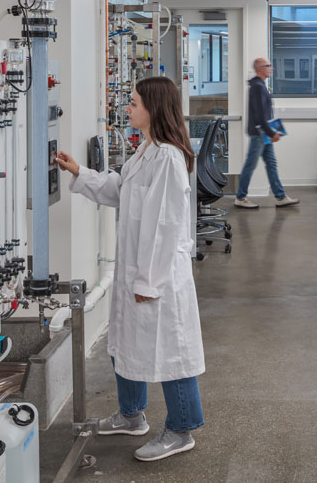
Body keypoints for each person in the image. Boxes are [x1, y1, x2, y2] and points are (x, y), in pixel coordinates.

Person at [54, 76, 205, 462]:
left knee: (172, 352)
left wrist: (149, 281)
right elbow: (119, 189)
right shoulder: (146, 151)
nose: (128, 108)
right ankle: (131, 415)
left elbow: (165, 226)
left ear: (153, 108)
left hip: (159, 275)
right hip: (137, 269)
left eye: (134, 103)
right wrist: (78, 172)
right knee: (123, 341)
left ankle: (180, 429)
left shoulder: (169, 158)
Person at [235, 57, 299, 209]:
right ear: (259, 69)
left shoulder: (260, 85)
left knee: (271, 164)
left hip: (263, 131)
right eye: (267, 66)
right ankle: (240, 197)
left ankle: (281, 196)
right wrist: (271, 133)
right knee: (250, 164)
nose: (271, 68)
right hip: (260, 132)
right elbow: (259, 115)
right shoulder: (257, 86)